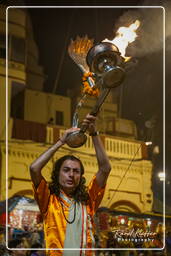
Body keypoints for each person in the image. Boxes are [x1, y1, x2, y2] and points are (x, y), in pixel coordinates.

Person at [30, 114, 111, 256]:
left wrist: (94, 134)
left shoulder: (88, 199)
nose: (71, 175)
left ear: (81, 176)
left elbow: (105, 168)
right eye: (66, 170)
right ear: (57, 174)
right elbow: (34, 168)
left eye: (76, 171)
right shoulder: (48, 200)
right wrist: (61, 141)